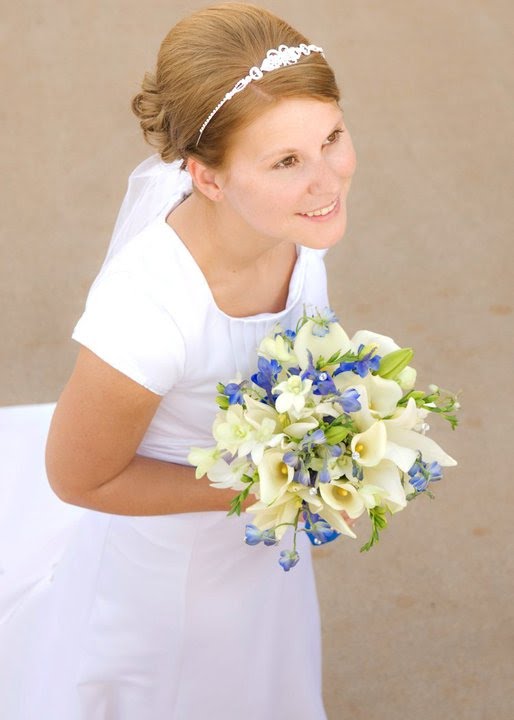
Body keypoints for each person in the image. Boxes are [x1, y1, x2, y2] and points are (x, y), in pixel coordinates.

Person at [0, 3, 356, 718]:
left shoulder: (289, 218)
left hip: (255, 552)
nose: (328, 179)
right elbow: (78, 475)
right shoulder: (151, 310)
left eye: (333, 137)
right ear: (209, 179)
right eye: (287, 160)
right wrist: (262, 488)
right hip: (169, 575)